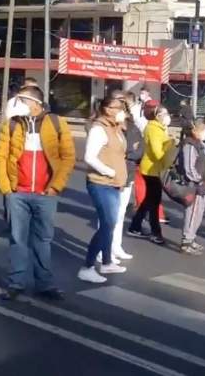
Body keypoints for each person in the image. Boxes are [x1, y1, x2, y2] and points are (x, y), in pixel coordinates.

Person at [0, 86, 75, 301]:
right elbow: (0, 157)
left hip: (45, 194)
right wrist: (6, 188)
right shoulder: (11, 125)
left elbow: (68, 158)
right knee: (17, 239)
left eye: (22, 100)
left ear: (35, 103)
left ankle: (44, 283)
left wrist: (55, 186)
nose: (16, 104)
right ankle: (16, 282)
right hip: (17, 193)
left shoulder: (57, 123)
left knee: (43, 240)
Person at [79, 97, 129, 284]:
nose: (122, 111)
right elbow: (89, 157)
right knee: (107, 224)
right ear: (107, 110)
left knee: (111, 224)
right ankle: (88, 267)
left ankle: (107, 262)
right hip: (101, 183)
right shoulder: (98, 129)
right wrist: (109, 171)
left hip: (115, 184)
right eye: (119, 108)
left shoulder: (116, 128)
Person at [128, 106, 175, 245]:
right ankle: (156, 232)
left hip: (156, 169)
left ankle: (135, 226)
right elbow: (157, 152)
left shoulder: (160, 128)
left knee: (150, 200)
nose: (167, 116)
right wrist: (170, 145)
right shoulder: (154, 129)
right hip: (151, 169)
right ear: (158, 115)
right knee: (154, 201)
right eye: (164, 114)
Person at [109, 92, 141, 263]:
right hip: (113, 175)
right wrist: (130, 150)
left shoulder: (132, 125)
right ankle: (104, 250)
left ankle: (116, 246)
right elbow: (118, 149)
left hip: (128, 172)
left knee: (120, 214)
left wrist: (132, 150)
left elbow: (139, 147)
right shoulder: (110, 126)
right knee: (109, 216)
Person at [178, 121, 205, 255]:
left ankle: (192, 238)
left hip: (203, 186)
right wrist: (198, 180)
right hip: (195, 186)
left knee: (198, 214)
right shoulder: (190, 145)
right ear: (196, 131)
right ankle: (186, 242)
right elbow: (189, 167)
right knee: (192, 213)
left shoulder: (201, 145)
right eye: (203, 129)